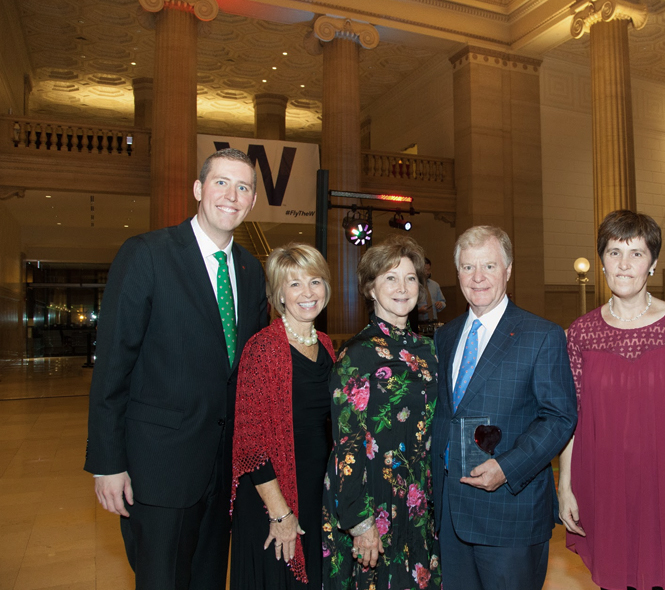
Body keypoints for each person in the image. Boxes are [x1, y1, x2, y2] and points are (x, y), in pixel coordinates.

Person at [84, 148, 269, 589]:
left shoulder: (251, 270)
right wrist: (108, 463)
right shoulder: (147, 254)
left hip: (224, 470)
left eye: (243, 187)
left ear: (253, 202)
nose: (231, 195)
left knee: (207, 579)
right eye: (221, 182)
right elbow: (113, 366)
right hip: (159, 469)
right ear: (199, 189)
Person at [559, 210, 665, 590]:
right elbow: (570, 419)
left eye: (636, 254)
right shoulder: (580, 333)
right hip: (603, 491)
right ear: (602, 261)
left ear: (653, 264)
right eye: (613, 252)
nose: (624, 264)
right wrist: (565, 487)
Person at [432, 225, 578, 590]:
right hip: (450, 514)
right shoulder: (444, 336)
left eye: (489, 266)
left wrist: (507, 467)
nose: (477, 277)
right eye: (467, 267)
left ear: (509, 270)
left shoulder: (541, 335)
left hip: (509, 513)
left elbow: (560, 417)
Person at [322, 235, 441, 590]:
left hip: (417, 499)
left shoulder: (429, 350)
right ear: (371, 289)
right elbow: (346, 443)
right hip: (371, 500)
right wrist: (360, 523)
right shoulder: (357, 354)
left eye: (410, 278)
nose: (402, 288)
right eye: (390, 278)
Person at [231, 243, 337, 589]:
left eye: (315, 281)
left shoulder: (327, 345)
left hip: (314, 491)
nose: (308, 293)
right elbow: (251, 444)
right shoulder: (261, 348)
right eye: (294, 284)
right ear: (278, 294)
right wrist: (281, 513)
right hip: (271, 498)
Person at [417, 257, 446, 323]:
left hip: (434, 321)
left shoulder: (435, 285)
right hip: (419, 322)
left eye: (429, 269)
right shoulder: (414, 286)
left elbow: (443, 302)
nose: (427, 273)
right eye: (425, 270)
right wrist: (419, 311)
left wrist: (440, 304)